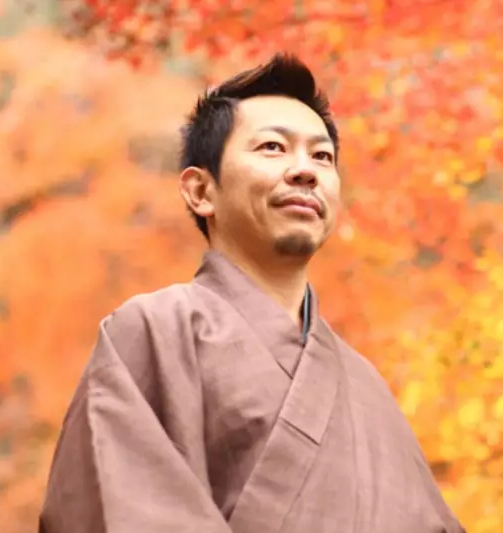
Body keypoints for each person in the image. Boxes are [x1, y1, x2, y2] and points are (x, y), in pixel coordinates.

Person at [39, 53, 466, 533]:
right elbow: (117, 507)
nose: (305, 171)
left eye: (322, 156)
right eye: (272, 147)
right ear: (201, 191)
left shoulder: (368, 388)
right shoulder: (156, 330)